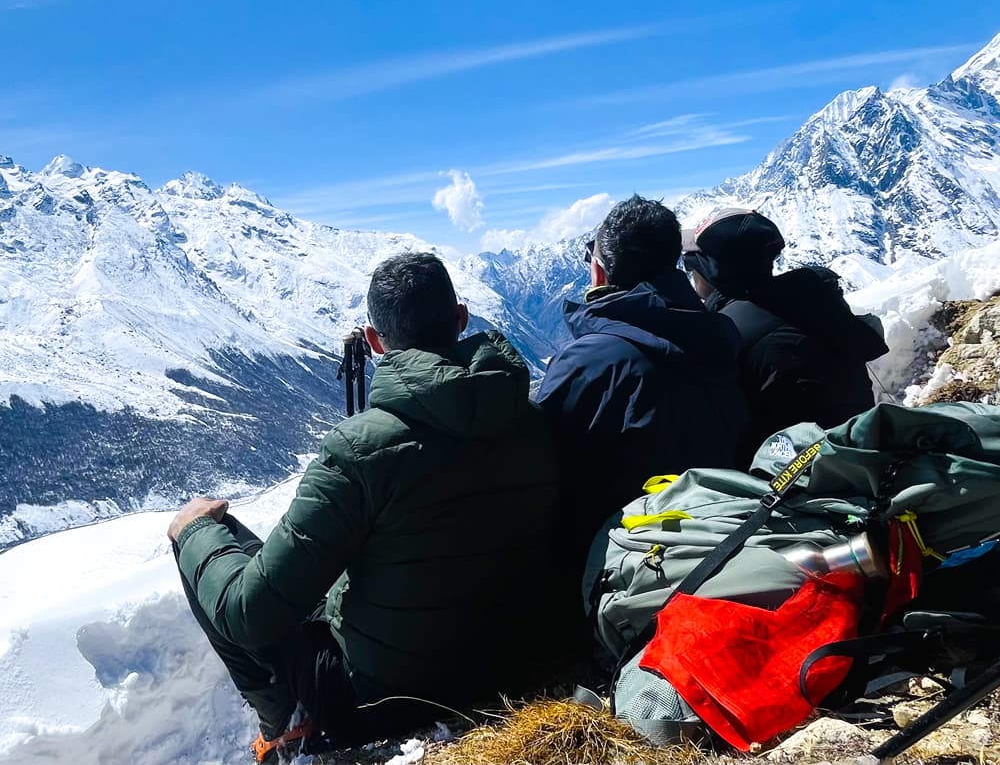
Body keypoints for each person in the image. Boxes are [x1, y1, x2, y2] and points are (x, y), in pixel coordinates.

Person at [167, 252, 561, 760]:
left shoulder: (360, 450)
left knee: (212, 543)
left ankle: (286, 724)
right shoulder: (535, 421)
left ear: (375, 343)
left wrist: (194, 531)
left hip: (382, 698)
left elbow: (250, 616)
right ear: (461, 319)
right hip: (508, 662)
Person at [536, 195, 748, 566]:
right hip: (716, 544)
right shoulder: (722, 337)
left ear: (599, 272)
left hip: (618, 559)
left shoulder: (592, 362)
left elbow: (538, 463)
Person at [681, 207, 889, 455]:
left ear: (708, 269)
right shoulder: (819, 302)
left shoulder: (723, 335)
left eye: (689, 262)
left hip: (778, 478)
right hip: (859, 454)